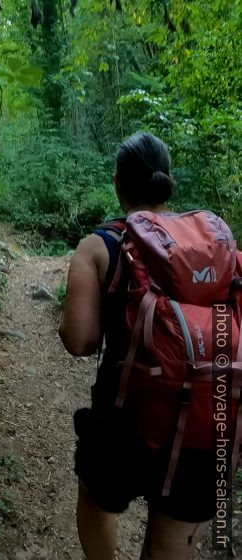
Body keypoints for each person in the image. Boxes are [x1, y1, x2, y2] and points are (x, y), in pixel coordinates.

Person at [58, 132, 215, 559]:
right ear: (169, 184)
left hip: (123, 419)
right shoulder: (208, 243)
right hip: (204, 421)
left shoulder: (99, 246)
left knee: (95, 497)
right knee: (170, 542)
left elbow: (80, 340)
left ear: (117, 184)